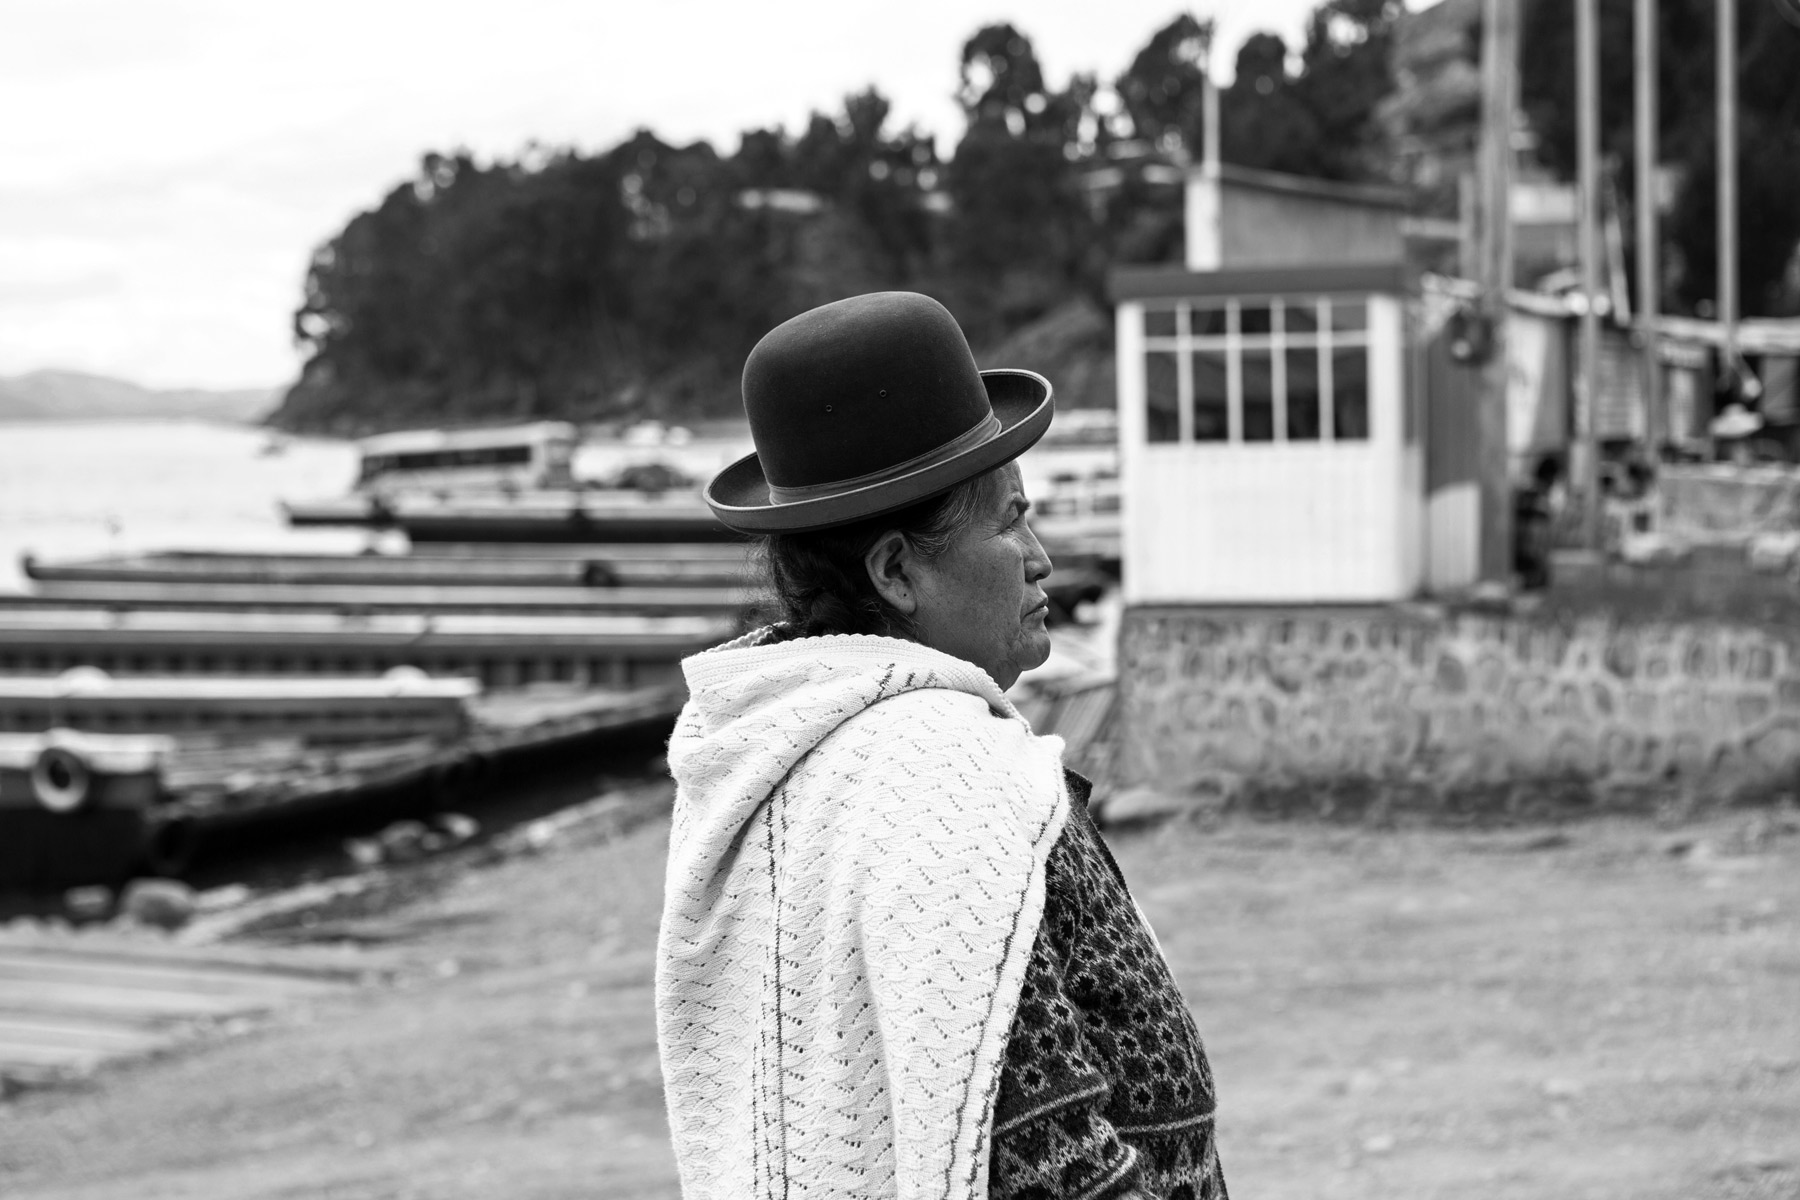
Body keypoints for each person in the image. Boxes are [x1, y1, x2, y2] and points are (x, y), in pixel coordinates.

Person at [656, 292, 1226, 1200]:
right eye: (1007, 522)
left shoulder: (778, 758)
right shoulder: (942, 776)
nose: (1041, 557)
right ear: (896, 571)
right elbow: (1047, 1165)